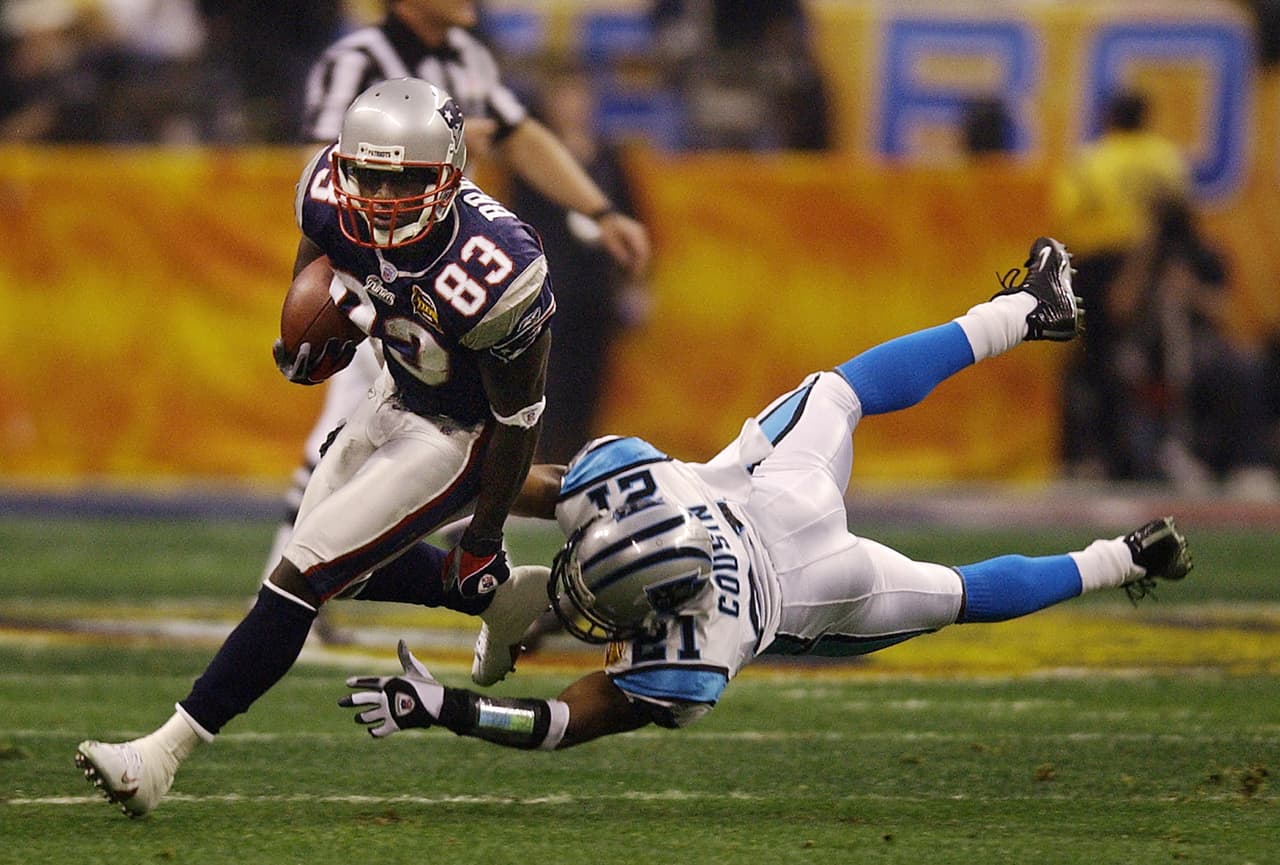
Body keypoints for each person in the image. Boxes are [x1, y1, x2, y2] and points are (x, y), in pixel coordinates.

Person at [335, 237, 1194, 752]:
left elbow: (557, 725)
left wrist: (444, 707)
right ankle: (1026, 314)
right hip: (763, 491)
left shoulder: (692, 655)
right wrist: (432, 486)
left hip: (813, 579)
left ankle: (1122, 558)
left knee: (956, 594)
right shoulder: (631, 485)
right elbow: (526, 482)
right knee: (841, 391)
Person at [75, 78, 559, 817]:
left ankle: (161, 755)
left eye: (405, 178)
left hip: (460, 434)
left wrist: (483, 535)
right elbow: (318, 264)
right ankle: (492, 598)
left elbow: (518, 418)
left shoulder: (497, 267)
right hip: (393, 392)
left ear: (451, 175)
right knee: (343, 569)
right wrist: (309, 334)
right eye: (368, 173)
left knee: (300, 575)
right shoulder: (327, 194)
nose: (382, 194)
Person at [263, 0, 651, 608]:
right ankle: (299, 594)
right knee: (352, 453)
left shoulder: (467, 56)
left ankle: (621, 505)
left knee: (464, 456)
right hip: (374, 287)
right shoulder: (357, 61)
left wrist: (597, 210)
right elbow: (326, 177)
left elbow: (521, 136)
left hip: (443, 290)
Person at [1051, 89, 1191, 480]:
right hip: (1156, 265)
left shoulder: (1091, 159)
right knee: (1159, 362)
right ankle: (1156, 451)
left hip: (1098, 268)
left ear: (1110, 117)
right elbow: (1179, 218)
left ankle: (1098, 455)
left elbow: (1067, 220)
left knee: (1096, 363)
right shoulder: (1165, 159)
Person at [1106, 195, 1280, 496]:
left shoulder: (1204, 255)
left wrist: (1191, 291)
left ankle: (1248, 460)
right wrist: (1146, 254)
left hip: (1200, 354)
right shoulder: (1143, 260)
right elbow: (1119, 307)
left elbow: (1225, 311)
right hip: (1149, 356)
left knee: (1242, 367)